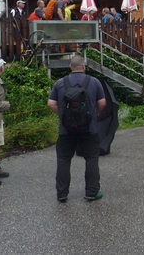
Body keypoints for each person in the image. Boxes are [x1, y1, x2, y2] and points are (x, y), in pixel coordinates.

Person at [48, 55, 107, 202]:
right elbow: (102, 103)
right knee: (91, 158)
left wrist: (63, 115)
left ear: (70, 67)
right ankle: (92, 192)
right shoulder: (94, 82)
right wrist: (96, 115)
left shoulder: (60, 83)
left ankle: (62, 194)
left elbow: (51, 103)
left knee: (63, 159)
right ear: (84, 66)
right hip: (89, 129)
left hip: (66, 130)